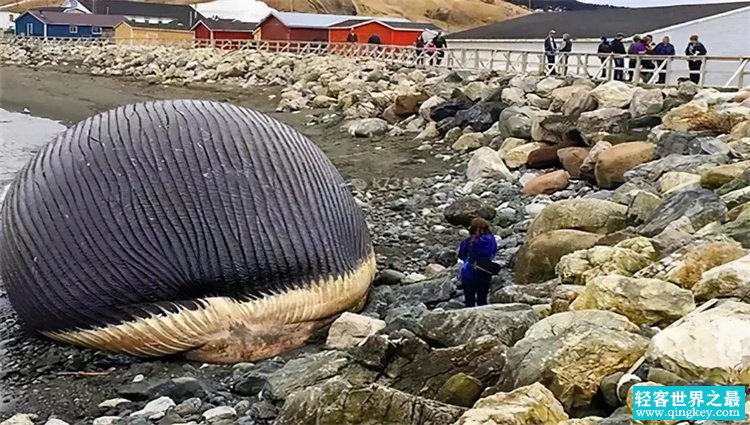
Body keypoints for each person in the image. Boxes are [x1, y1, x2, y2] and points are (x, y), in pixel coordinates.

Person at [456, 217, 498, 308]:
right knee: (482, 299)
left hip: (468, 272)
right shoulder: (490, 240)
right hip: (484, 270)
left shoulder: (467, 242)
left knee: (469, 300)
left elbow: (461, 255)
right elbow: (492, 253)